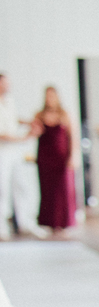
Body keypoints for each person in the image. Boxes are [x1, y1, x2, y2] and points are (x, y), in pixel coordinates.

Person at [0, 73, 40, 240]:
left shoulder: (9, 101)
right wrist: (24, 138)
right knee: (2, 189)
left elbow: (13, 120)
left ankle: (26, 223)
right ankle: (1, 226)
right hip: (2, 151)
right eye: (4, 83)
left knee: (23, 185)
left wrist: (28, 123)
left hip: (15, 151)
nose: (7, 86)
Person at [30, 86, 75, 234]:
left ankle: (63, 223)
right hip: (45, 157)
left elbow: (71, 136)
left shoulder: (64, 114)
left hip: (61, 157)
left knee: (62, 190)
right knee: (47, 191)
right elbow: (34, 133)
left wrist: (72, 156)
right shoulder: (39, 115)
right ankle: (49, 223)